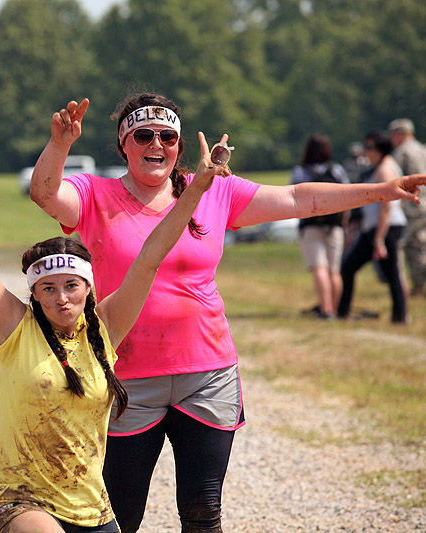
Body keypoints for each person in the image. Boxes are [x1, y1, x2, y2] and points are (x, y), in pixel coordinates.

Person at [29, 93, 426, 533]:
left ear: (179, 145)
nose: (155, 144)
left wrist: (382, 191)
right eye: (143, 135)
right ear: (124, 144)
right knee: (118, 515)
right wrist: (60, 144)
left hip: (208, 373)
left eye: (168, 136)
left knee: (203, 513)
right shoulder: (95, 193)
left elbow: (299, 199)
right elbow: (45, 194)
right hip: (126, 377)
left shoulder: (213, 190)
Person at [0, 124, 223, 533]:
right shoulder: (13, 328)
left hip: (91, 508)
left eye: (71, 287)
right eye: (47, 289)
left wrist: (196, 189)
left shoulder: (106, 327)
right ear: (34, 293)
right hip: (18, 498)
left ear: (88, 288)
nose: (61, 299)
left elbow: (150, 256)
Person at [338, 130, 411, 323]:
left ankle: (400, 317)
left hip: (385, 229)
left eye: (369, 147)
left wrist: (379, 239)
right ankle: (343, 312)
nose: (365, 151)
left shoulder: (384, 169)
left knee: (391, 273)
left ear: (380, 149)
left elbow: (387, 206)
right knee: (349, 268)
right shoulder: (377, 167)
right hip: (374, 229)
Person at [289, 134, 350, 319]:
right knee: (334, 270)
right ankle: (335, 308)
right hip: (334, 226)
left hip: (311, 226)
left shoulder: (300, 172)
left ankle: (326, 310)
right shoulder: (337, 170)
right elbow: (347, 197)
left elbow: (292, 198)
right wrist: (343, 224)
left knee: (319, 268)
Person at [389, 118, 426, 297]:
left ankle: (415, 286)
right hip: (425, 206)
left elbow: (395, 181)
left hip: (411, 207)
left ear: (400, 134)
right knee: (421, 244)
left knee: (408, 247)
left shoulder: (401, 153)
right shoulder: (423, 150)